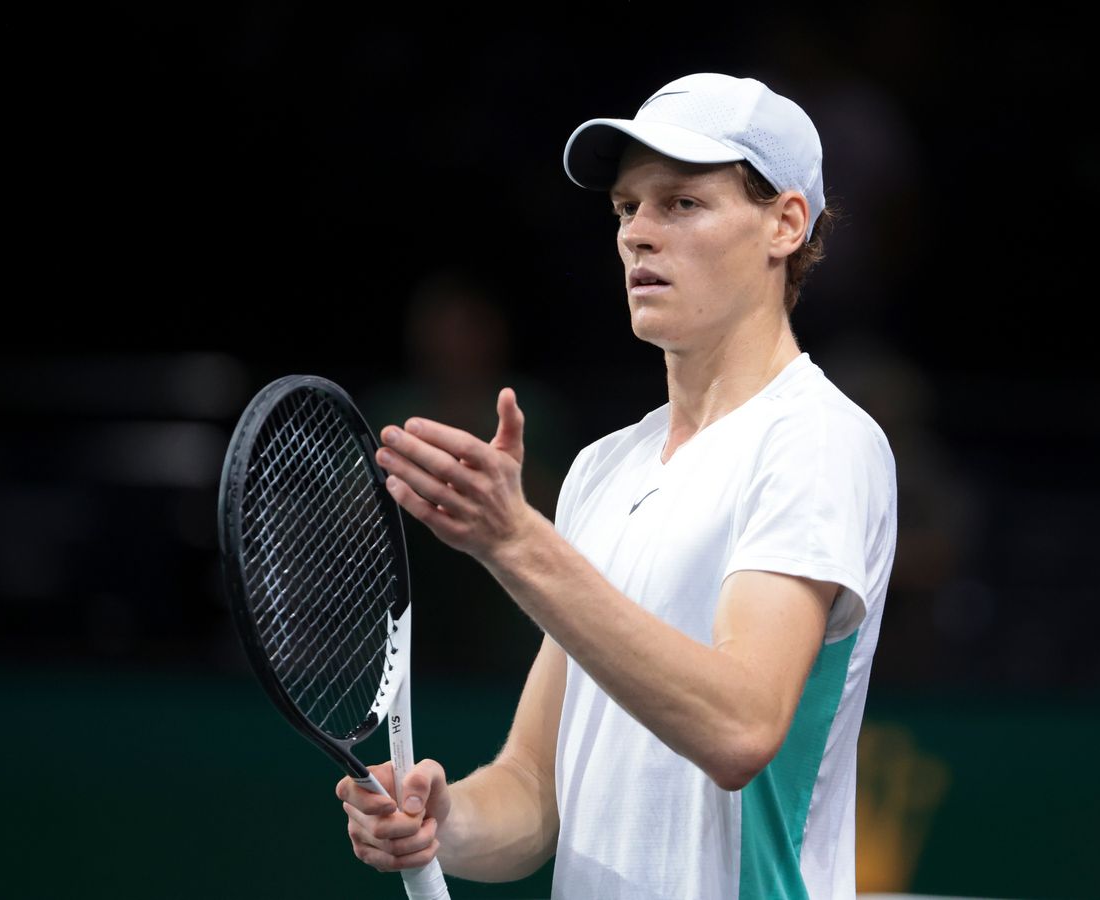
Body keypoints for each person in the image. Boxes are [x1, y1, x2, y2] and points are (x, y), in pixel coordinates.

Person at [336, 72, 899, 899]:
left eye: (682, 203)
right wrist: (439, 824)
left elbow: (741, 727)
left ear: (784, 224)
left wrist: (516, 543)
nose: (638, 234)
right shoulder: (604, 469)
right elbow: (534, 791)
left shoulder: (818, 441)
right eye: (626, 209)